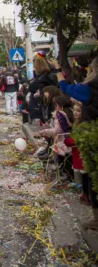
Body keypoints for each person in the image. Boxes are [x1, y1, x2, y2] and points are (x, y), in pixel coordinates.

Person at [49, 57, 98, 230]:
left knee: (93, 179)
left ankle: (96, 218)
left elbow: (65, 87)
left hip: (93, 137)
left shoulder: (90, 89)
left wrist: (57, 68)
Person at [28, 57, 58, 124]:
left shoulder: (42, 78)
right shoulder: (52, 75)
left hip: (43, 106)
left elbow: (32, 87)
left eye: (35, 66)